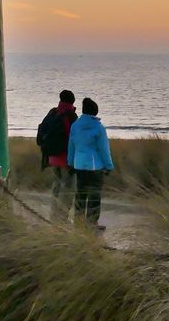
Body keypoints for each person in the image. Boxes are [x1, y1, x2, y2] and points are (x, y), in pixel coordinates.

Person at [67, 97, 114, 229]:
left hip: (79, 165)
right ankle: (92, 222)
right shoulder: (99, 128)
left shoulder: (75, 126)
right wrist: (109, 166)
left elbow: (71, 146)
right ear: (95, 111)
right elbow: (104, 150)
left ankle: (79, 221)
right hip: (95, 167)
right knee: (94, 195)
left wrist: (70, 162)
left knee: (80, 193)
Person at [37, 90, 78, 222]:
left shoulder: (53, 112)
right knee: (68, 188)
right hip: (66, 158)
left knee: (57, 185)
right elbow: (73, 139)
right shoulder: (71, 116)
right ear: (72, 101)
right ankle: (62, 218)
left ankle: (54, 214)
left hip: (52, 157)